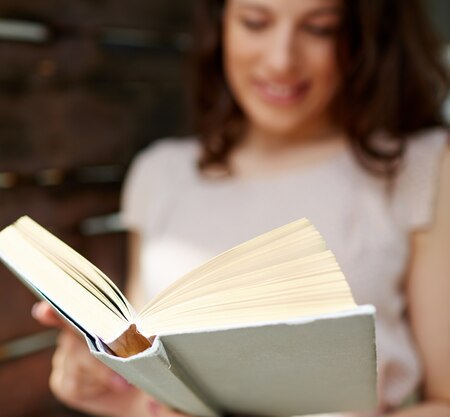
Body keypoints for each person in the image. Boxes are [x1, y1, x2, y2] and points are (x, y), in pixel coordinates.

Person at [34, 0, 450, 416]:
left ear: (362, 38)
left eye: (320, 29)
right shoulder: (162, 174)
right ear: (221, 26)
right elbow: (158, 396)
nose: (281, 59)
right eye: (256, 22)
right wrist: (109, 393)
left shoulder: (421, 168)